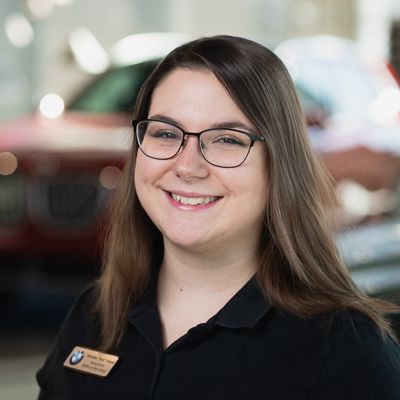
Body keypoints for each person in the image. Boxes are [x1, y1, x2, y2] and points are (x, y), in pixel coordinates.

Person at [37, 35, 400, 399]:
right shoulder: (93, 315)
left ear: (280, 165)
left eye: (227, 139)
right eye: (166, 133)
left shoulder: (346, 352)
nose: (187, 165)